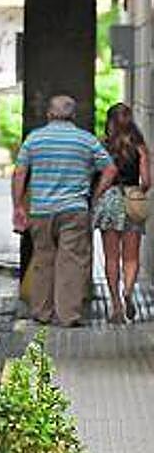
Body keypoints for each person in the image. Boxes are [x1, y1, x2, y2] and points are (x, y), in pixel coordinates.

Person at [12, 95, 117, 327]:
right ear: (74, 115)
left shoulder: (34, 139)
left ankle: (42, 312)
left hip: (40, 209)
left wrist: (18, 205)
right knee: (72, 262)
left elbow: (19, 172)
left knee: (43, 259)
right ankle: (68, 316)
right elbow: (110, 169)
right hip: (74, 209)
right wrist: (95, 195)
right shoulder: (86, 140)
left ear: (49, 114)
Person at [93, 103, 150, 323]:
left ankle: (115, 303)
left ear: (110, 121)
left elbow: (101, 174)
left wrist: (97, 195)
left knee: (111, 257)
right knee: (131, 256)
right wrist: (137, 192)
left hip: (109, 199)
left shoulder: (102, 145)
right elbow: (147, 181)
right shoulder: (140, 147)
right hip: (132, 198)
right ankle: (128, 291)